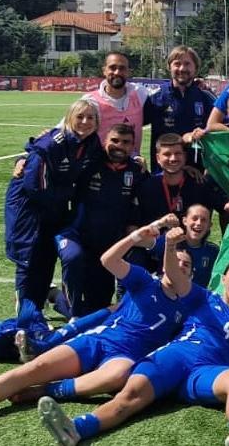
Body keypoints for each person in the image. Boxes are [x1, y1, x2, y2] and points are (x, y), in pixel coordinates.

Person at [0, 218, 198, 427]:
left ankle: (46, 390)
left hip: (126, 355)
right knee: (35, 367)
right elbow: (108, 260)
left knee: (118, 375)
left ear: (192, 274)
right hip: (100, 340)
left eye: (186, 265)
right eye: (176, 260)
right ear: (164, 265)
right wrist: (136, 237)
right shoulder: (145, 280)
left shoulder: (189, 304)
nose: (180, 266)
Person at [37, 259, 229, 446]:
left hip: (207, 371)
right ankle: (76, 429)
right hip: (176, 355)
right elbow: (174, 277)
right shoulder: (204, 296)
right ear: (223, 278)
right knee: (129, 397)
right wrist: (170, 244)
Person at [5, 98, 102, 312]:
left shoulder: (91, 143)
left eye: (90, 117)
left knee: (47, 258)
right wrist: (68, 195)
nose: (85, 122)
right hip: (28, 208)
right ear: (68, 118)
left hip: (54, 207)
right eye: (79, 116)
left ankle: (46, 303)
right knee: (29, 258)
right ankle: (26, 319)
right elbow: (34, 187)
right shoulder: (51, 144)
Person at [55, 123, 145, 317]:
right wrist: (23, 158)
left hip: (108, 244)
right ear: (105, 141)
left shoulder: (136, 172)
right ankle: (72, 313)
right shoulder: (89, 162)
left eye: (126, 142)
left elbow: (137, 207)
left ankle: (56, 297)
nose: (119, 146)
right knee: (72, 258)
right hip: (78, 236)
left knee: (97, 308)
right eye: (114, 140)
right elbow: (56, 156)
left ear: (133, 146)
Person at [137, 133, 229, 230]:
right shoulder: (148, 187)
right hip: (157, 243)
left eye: (178, 153)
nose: (173, 158)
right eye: (167, 154)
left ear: (185, 156)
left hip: (193, 243)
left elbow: (227, 210)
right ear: (158, 158)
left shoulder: (200, 184)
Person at [144, 45, 216, 171]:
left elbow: (223, 126)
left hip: (197, 173)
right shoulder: (155, 97)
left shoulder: (206, 97)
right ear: (169, 67)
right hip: (164, 173)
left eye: (187, 64)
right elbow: (132, 124)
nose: (182, 68)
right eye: (177, 64)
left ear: (196, 68)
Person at [80, 51, 153, 154]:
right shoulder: (91, 101)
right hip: (101, 163)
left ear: (128, 72)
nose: (117, 72)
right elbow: (67, 128)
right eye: (112, 67)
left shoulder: (140, 93)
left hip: (132, 163)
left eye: (122, 68)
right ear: (104, 70)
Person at [138, 203, 219, 287]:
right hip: (165, 292)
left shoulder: (214, 251)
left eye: (204, 220)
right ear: (184, 221)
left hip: (196, 294)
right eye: (194, 218)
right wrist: (160, 224)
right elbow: (137, 240)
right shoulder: (171, 240)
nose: (198, 223)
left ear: (209, 225)